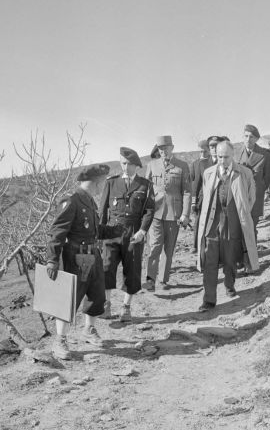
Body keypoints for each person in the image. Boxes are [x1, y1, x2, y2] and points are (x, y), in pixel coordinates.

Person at [45, 164, 124, 360]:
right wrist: (52, 260)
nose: (102, 187)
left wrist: (116, 230)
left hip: (93, 255)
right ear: (94, 182)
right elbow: (57, 233)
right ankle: (60, 340)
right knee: (69, 299)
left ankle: (89, 330)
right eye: (101, 183)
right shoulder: (71, 201)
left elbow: (95, 231)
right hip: (75, 258)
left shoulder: (89, 202)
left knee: (96, 296)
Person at [196, 140, 259, 311]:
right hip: (212, 226)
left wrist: (240, 213)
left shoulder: (244, 173)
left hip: (233, 225)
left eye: (226, 157)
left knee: (231, 261)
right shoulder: (209, 173)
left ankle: (229, 284)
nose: (222, 160)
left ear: (232, 155)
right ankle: (209, 300)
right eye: (219, 156)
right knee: (210, 262)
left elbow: (251, 198)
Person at [98, 147, 155, 322]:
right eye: (123, 163)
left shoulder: (145, 185)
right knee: (107, 269)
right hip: (112, 232)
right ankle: (106, 306)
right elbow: (102, 211)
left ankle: (126, 307)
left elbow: (149, 210)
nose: (125, 167)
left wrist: (142, 231)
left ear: (136, 165)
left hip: (133, 233)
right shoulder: (111, 183)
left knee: (132, 271)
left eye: (129, 164)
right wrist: (99, 236)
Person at [143, 135, 191, 291]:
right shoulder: (152, 165)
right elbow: (146, 190)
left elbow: (187, 192)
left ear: (172, 148)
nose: (162, 151)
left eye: (165, 148)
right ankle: (150, 279)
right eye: (160, 148)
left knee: (168, 248)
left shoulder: (182, 166)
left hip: (174, 213)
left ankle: (163, 279)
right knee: (155, 244)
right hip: (155, 212)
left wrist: (185, 214)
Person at [236, 124, 270, 234]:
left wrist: (259, 189)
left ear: (256, 138)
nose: (248, 139)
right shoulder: (236, 153)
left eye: (251, 137)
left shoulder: (265, 154)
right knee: (239, 228)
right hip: (239, 196)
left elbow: (267, 178)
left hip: (255, 196)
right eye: (246, 136)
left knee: (251, 228)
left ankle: (252, 251)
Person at [191, 137, 219, 253]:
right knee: (199, 222)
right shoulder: (198, 164)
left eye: (205, 151)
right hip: (201, 199)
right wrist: (194, 201)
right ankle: (196, 245)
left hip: (215, 198)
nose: (203, 153)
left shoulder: (216, 161)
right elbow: (195, 184)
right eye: (201, 151)